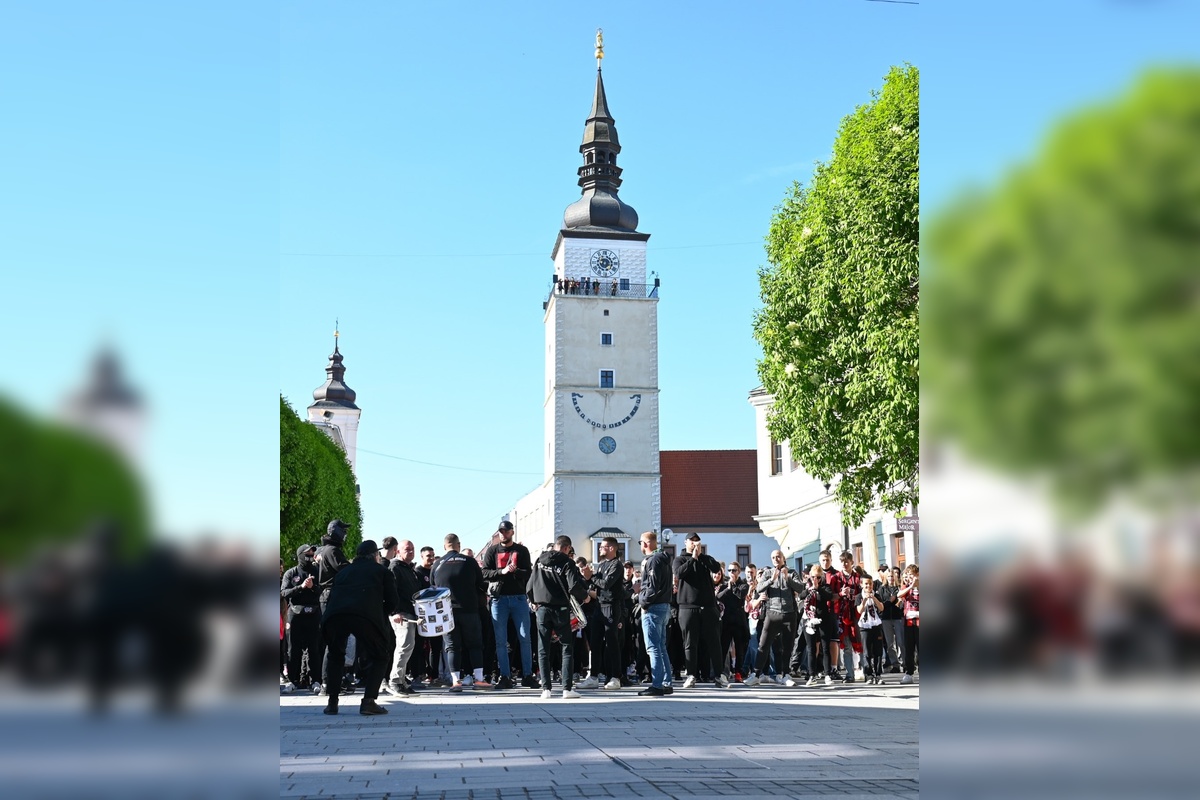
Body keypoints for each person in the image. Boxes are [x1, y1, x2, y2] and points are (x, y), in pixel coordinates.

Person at [319, 540, 398, 716]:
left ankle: (332, 702)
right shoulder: (382, 571)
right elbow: (392, 602)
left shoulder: (343, 572)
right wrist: (379, 614)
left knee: (335, 656)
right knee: (380, 655)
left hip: (335, 615)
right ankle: (368, 701)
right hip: (365, 616)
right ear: (375, 555)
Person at [526, 535, 588, 699]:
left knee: (543, 649)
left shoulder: (540, 560)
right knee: (566, 647)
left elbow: (529, 585)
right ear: (567, 548)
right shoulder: (568, 563)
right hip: (561, 609)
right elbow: (573, 586)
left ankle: (546, 689)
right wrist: (585, 596)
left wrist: (533, 601)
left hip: (542, 608)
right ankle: (567, 689)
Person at [431, 533, 493, 691]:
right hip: (469, 610)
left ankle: (455, 681)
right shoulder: (470, 562)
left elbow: (433, 587)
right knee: (475, 645)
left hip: (447, 612)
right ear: (458, 545)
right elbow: (480, 584)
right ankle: (479, 679)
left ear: (445, 546)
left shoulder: (437, 564)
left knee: (452, 647)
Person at [479, 520, 534, 690]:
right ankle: (505, 676)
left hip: (519, 598)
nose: (503, 534)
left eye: (506, 531)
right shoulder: (492, 550)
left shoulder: (522, 551)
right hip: (499, 599)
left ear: (512, 532)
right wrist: (501, 572)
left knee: (525, 637)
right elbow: (484, 573)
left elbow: (529, 573)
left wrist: (515, 571)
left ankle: (527, 675)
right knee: (500, 640)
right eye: (501, 531)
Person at [673, 533, 730, 688]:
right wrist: (692, 558)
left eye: (697, 541)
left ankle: (719, 675)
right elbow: (679, 573)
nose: (694, 544)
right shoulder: (680, 559)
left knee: (714, 642)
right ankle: (691, 675)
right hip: (688, 607)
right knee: (690, 643)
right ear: (685, 542)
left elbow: (716, 568)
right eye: (692, 541)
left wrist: (700, 556)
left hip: (708, 607)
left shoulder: (706, 559)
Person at [745, 551, 806, 686]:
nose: (776, 559)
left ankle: (786, 675)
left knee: (787, 646)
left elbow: (801, 588)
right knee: (763, 645)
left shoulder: (792, 572)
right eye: (773, 557)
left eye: (778, 557)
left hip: (789, 613)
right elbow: (759, 588)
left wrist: (787, 578)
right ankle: (756, 674)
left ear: (783, 558)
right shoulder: (768, 573)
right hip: (772, 613)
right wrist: (771, 580)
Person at [314, 519, 351, 695]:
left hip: (329, 596)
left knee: (334, 642)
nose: (345, 534)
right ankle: (328, 683)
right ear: (335, 531)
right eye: (343, 530)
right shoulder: (333, 551)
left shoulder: (325, 550)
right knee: (334, 642)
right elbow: (345, 570)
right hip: (332, 596)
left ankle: (334, 680)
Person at [636, 531, 674, 696]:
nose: (641, 546)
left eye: (641, 543)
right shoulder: (663, 559)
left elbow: (652, 586)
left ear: (646, 543)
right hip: (664, 606)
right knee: (661, 647)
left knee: (653, 648)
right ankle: (666, 682)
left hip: (653, 607)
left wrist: (643, 602)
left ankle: (657, 685)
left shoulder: (653, 560)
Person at [280, 544, 320, 692]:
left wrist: (312, 587)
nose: (310, 556)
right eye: (307, 553)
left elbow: (323, 590)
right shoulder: (291, 573)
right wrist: (301, 587)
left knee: (314, 648)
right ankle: (292, 680)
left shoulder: (317, 571)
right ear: (300, 555)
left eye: (311, 553)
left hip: (313, 614)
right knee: (293, 649)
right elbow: (284, 592)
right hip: (295, 615)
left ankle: (315, 680)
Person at [590, 537, 628, 690]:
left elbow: (606, 584)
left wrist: (591, 577)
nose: (600, 549)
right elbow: (598, 586)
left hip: (611, 607)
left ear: (611, 548)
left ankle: (615, 676)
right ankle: (593, 676)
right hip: (599, 605)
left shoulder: (616, 565)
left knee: (612, 642)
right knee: (595, 642)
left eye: (603, 546)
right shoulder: (601, 564)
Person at [385, 539, 422, 695]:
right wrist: (394, 612)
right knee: (404, 646)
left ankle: (401, 681)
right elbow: (389, 591)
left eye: (412, 549)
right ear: (397, 551)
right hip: (401, 613)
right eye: (407, 549)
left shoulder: (408, 568)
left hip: (409, 612)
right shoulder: (394, 567)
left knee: (407, 647)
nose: (411, 551)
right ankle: (395, 681)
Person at [801, 565, 837, 685]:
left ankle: (827, 674)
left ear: (821, 577)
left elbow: (827, 597)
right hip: (809, 620)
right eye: (813, 577)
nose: (815, 579)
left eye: (818, 577)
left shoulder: (825, 587)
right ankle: (812, 675)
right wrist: (810, 589)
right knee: (811, 648)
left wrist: (818, 589)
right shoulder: (806, 586)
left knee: (825, 648)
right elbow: (801, 595)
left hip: (823, 620)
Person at [717, 562, 750, 682]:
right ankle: (721, 672)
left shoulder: (743, 585)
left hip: (739, 621)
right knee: (724, 647)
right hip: (727, 621)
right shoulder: (725, 585)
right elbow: (718, 597)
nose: (731, 572)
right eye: (730, 570)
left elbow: (741, 595)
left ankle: (738, 672)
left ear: (739, 572)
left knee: (739, 648)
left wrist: (733, 586)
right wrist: (728, 588)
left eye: (734, 570)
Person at [857, 573, 886, 684]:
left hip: (876, 625)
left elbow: (881, 608)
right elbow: (859, 610)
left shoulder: (876, 595)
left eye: (870, 584)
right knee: (867, 651)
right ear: (861, 584)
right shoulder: (859, 596)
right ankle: (868, 674)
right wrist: (865, 599)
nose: (868, 586)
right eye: (866, 584)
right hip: (865, 626)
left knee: (878, 651)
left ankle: (878, 674)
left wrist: (873, 597)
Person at [897, 564, 920, 684]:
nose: (910, 577)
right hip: (909, 622)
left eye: (912, 575)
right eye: (909, 575)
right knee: (909, 648)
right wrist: (911, 586)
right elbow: (899, 595)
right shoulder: (907, 586)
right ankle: (909, 672)